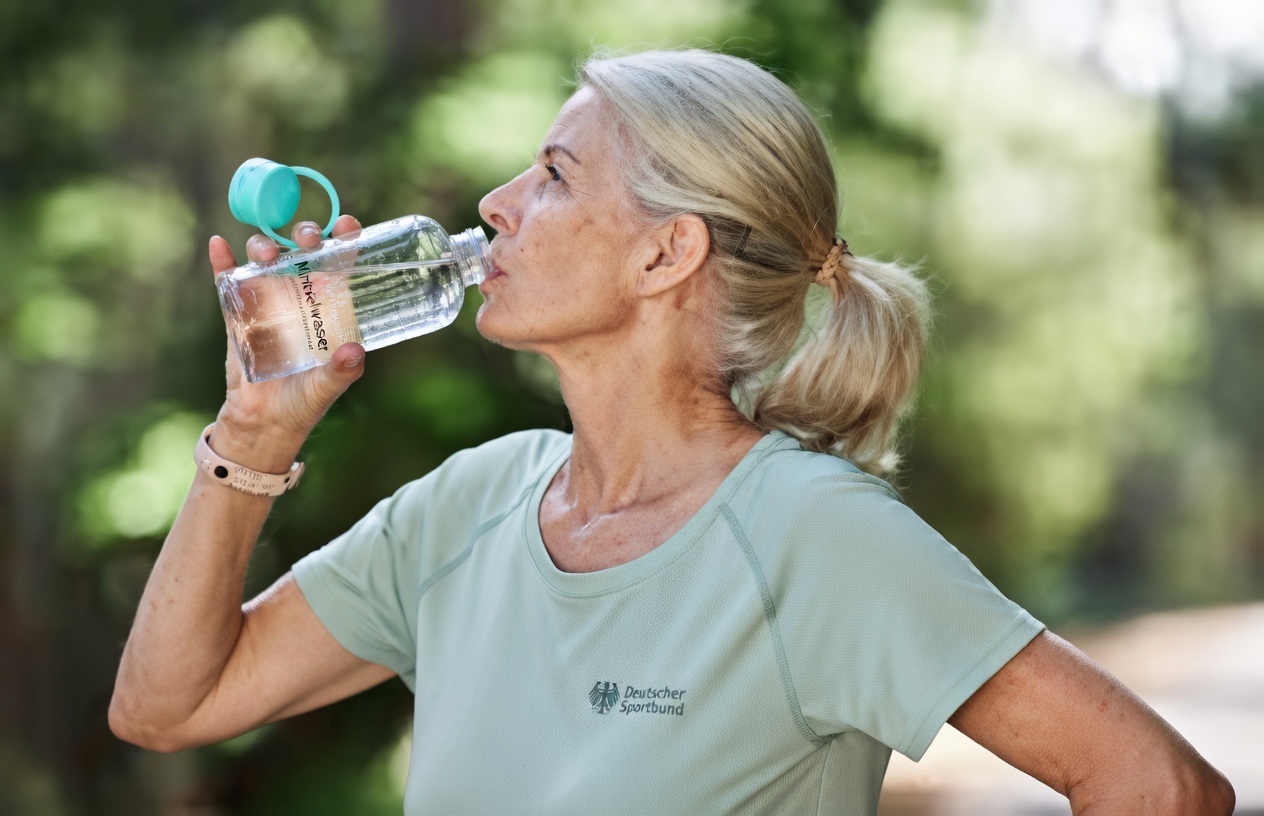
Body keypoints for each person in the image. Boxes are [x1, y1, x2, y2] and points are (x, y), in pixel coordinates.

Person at [110, 48, 1234, 814]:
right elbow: (167, 706)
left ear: (666, 254)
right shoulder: (474, 502)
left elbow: (1158, 785)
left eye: (552, 174)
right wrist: (250, 436)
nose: (495, 203)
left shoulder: (811, 537)